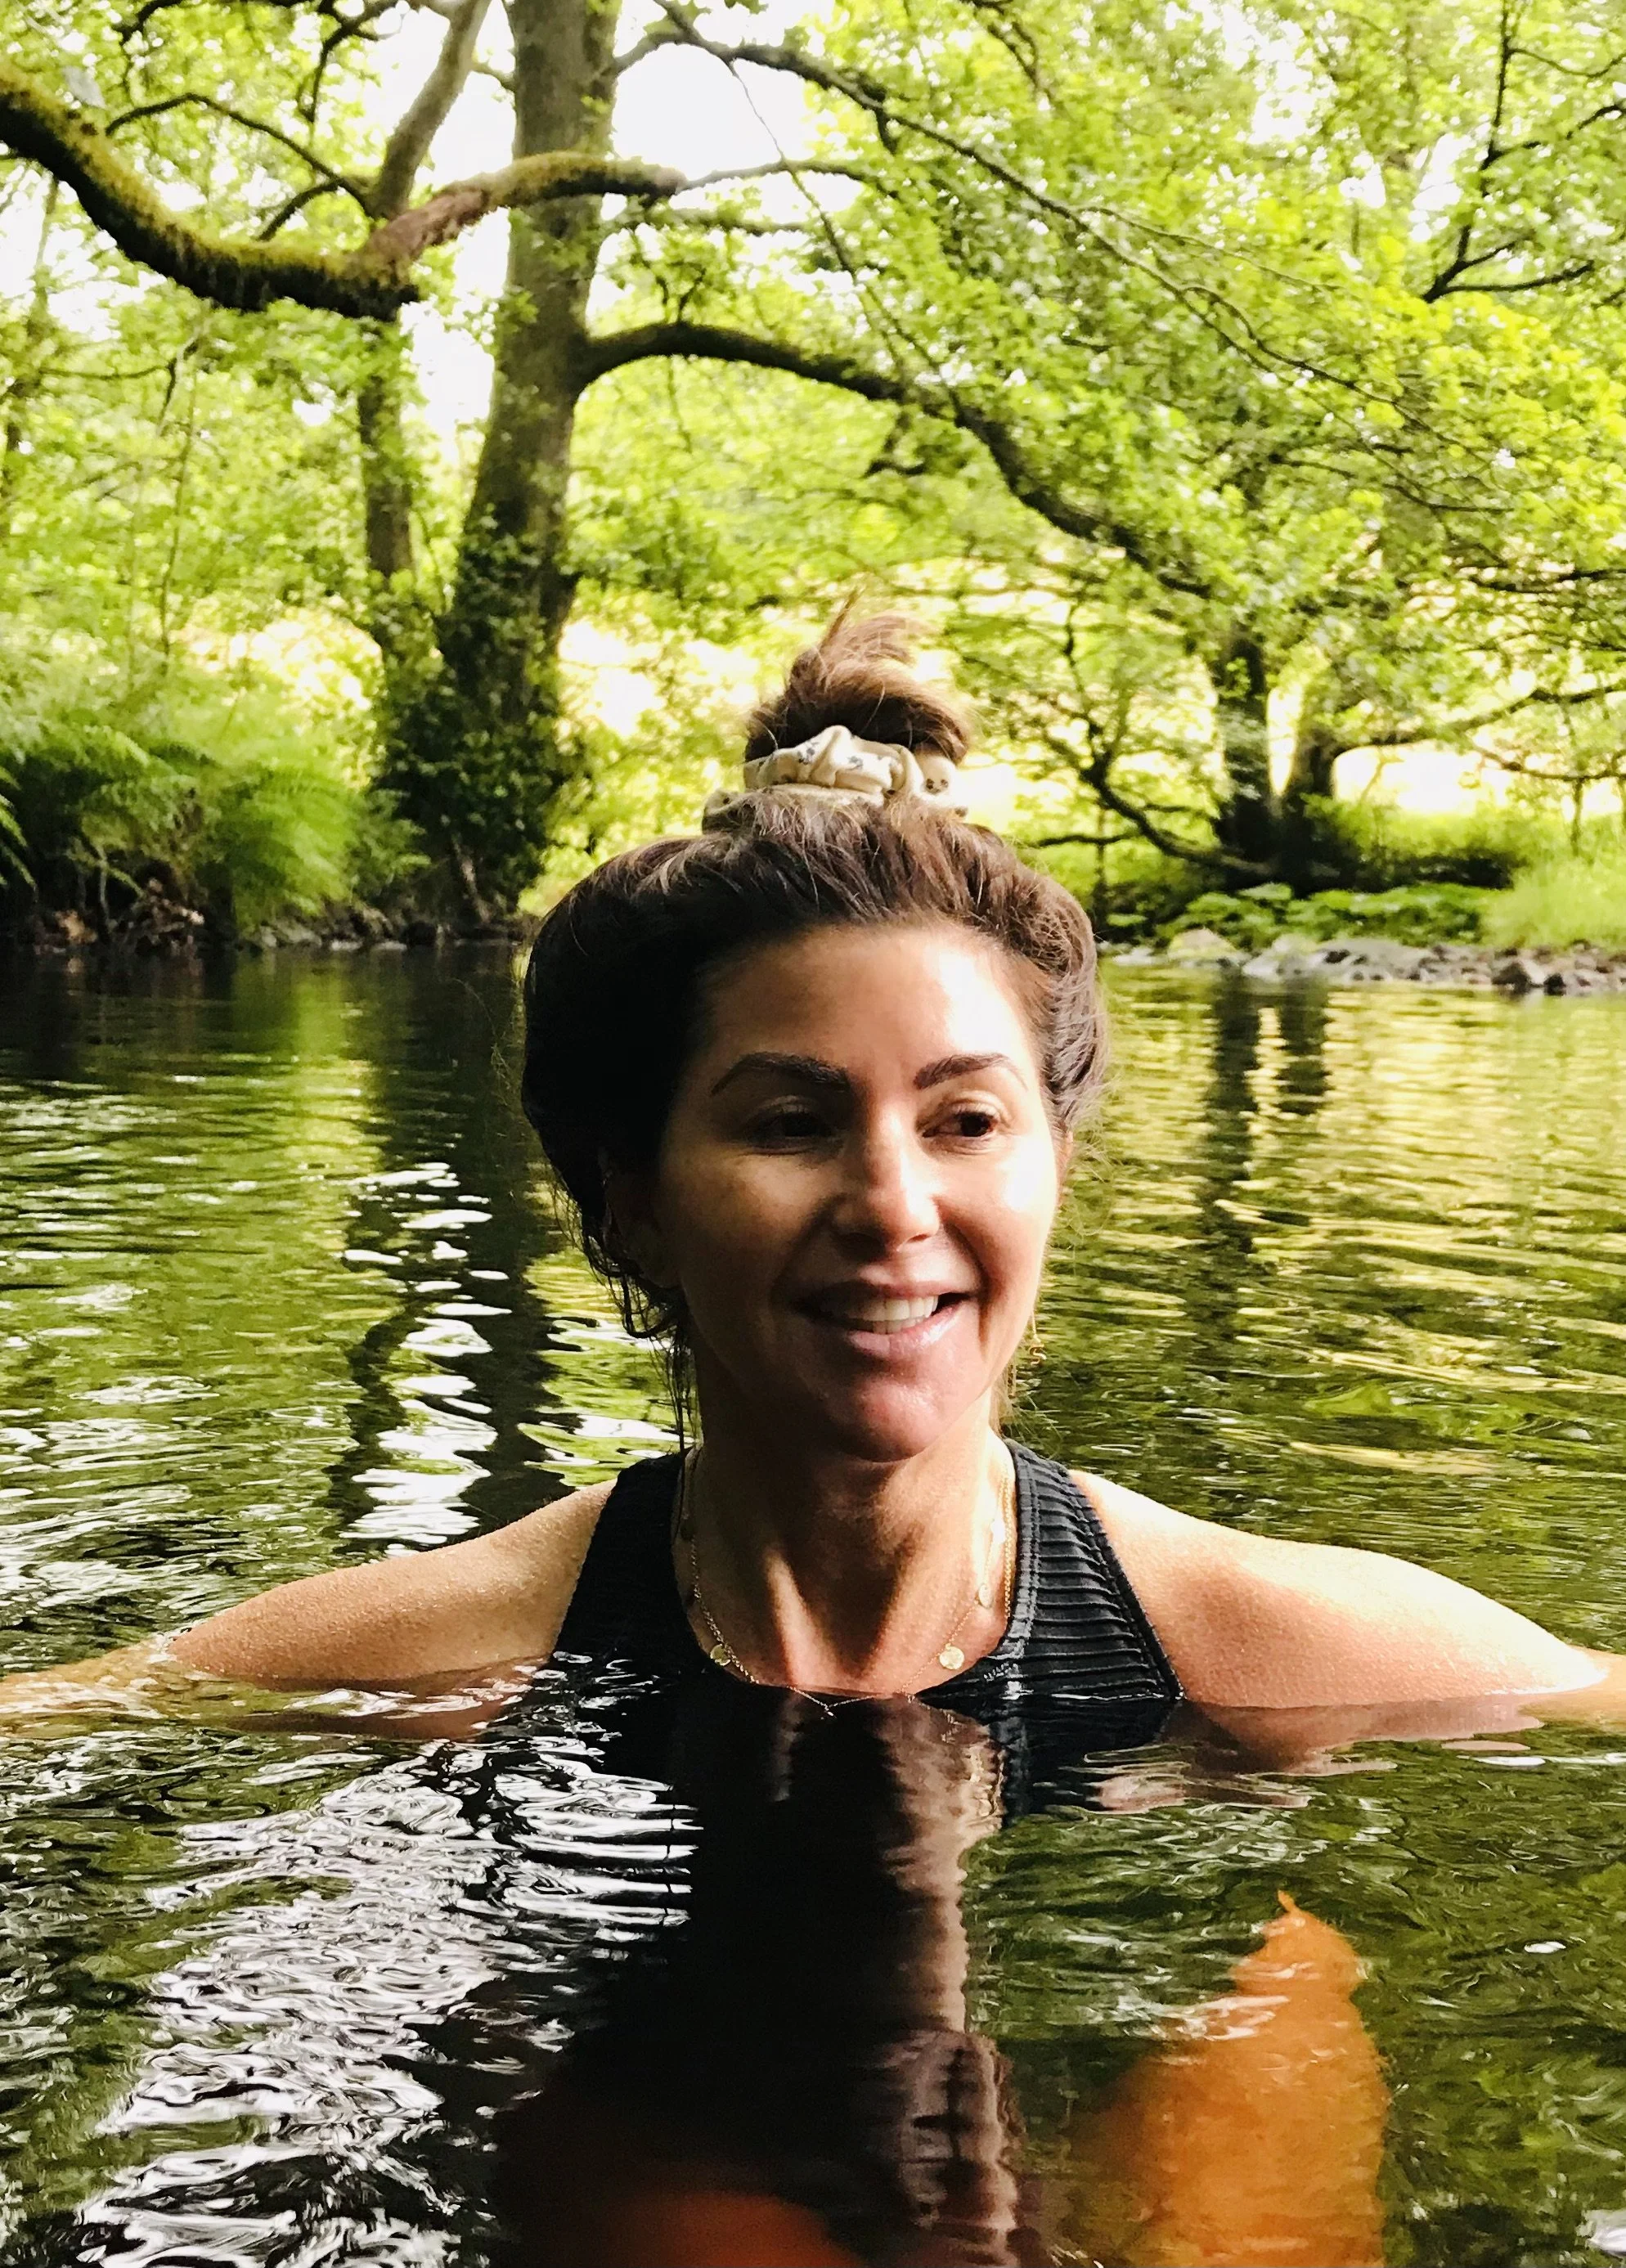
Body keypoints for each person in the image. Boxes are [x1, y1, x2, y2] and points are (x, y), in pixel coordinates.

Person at [2, 609, 1621, 1727]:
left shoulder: (1267, 1651)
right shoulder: (454, 1652)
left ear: (1051, 1166)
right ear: (625, 1193)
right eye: (787, 1122)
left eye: (965, 1120)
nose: (895, 1208)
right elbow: (63, 1722)